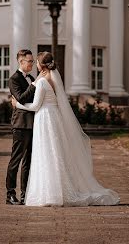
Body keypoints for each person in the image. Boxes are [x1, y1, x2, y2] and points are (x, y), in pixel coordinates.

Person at [12, 51, 120, 207]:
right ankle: (58, 190)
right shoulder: (55, 79)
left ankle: (49, 194)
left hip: (45, 118)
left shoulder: (42, 81)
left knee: (45, 154)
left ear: (41, 65)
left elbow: (35, 106)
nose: (34, 64)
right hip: (54, 117)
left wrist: (17, 104)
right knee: (55, 153)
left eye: (36, 62)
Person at [5, 49, 39, 205]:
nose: (32, 64)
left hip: (34, 124)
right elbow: (21, 99)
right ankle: (10, 194)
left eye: (32, 61)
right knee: (16, 159)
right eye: (29, 61)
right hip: (20, 125)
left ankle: (25, 193)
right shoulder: (14, 79)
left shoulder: (31, 77)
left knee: (29, 161)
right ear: (21, 62)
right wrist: (33, 86)